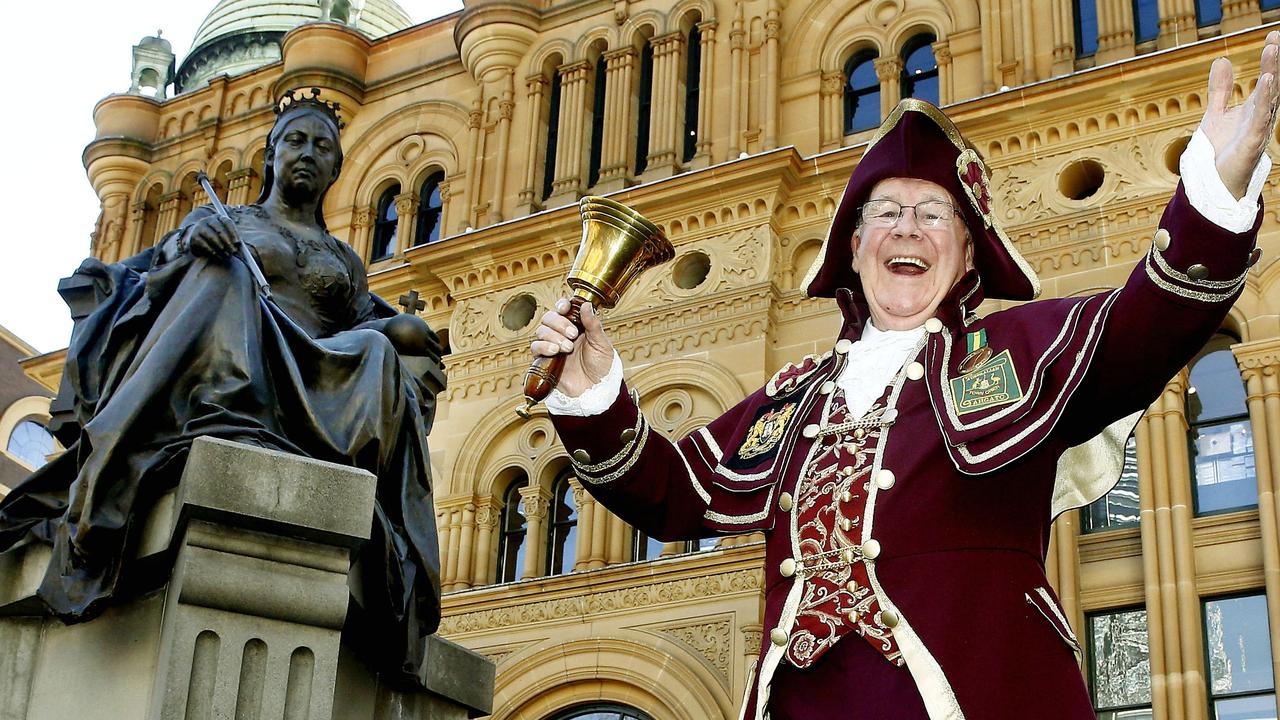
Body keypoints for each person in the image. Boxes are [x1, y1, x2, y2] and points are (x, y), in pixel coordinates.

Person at [530, 36, 1279, 720]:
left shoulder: (1019, 347)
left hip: (985, 691)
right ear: (853, 249)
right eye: (885, 212)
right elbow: (670, 492)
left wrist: (1214, 196)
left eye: (935, 214)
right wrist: (593, 393)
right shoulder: (792, 397)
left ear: (969, 253)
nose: (907, 227)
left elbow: (1147, 326)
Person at [0, 89, 443, 688]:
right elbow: (144, 279)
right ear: (270, 156)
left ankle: (303, 449)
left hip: (311, 368)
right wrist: (189, 244)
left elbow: (359, 322)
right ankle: (215, 418)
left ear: (337, 168)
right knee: (222, 271)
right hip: (227, 359)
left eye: (321, 146)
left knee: (374, 349)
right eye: (294, 141)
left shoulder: (342, 256)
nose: (306, 154)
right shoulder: (226, 220)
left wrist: (397, 326)